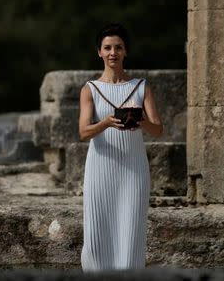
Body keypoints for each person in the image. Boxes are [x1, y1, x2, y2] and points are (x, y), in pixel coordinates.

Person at [79, 23, 163, 271]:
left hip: (133, 169)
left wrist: (141, 121)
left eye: (118, 47)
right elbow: (84, 132)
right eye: (107, 48)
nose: (113, 52)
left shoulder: (141, 87)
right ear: (99, 52)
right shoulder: (90, 89)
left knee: (131, 234)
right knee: (97, 234)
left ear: (126, 51)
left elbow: (158, 130)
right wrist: (105, 122)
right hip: (100, 169)